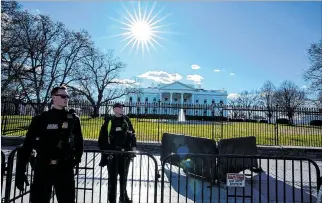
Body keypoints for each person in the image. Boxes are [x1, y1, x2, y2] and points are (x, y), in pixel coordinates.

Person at [15, 85, 84, 203]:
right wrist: (21, 171)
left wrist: (75, 159)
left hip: (64, 167)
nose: (66, 98)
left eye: (67, 96)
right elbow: (28, 145)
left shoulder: (73, 119)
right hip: (43, 167)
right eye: (63, 96)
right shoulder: (41, 119)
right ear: (54, 97)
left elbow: (79, 142)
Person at [98, 103, 137, 203]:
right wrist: (107, 152)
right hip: (113, 155)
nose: (122, 108)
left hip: (125, 155)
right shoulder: (109, 121)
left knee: (124, 178)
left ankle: (123, 198)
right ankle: (112, 200)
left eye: (122, 107)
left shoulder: (126, 120)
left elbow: (133, 134)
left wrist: (133, 147)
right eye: (120, 107)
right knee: (113, 180)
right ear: (115, 109)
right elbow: (102, 139)